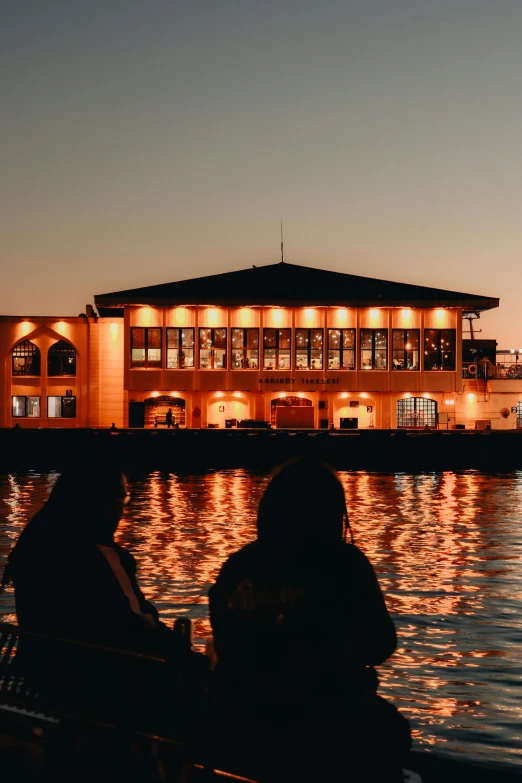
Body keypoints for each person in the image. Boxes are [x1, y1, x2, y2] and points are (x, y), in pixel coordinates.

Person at [208, 457, 410, 782]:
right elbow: (381, 644)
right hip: (326, 722)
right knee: (393, 730)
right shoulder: (345, 565)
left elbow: (226, 642)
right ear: (332, 514)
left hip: (242, 716)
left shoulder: (237, 566)